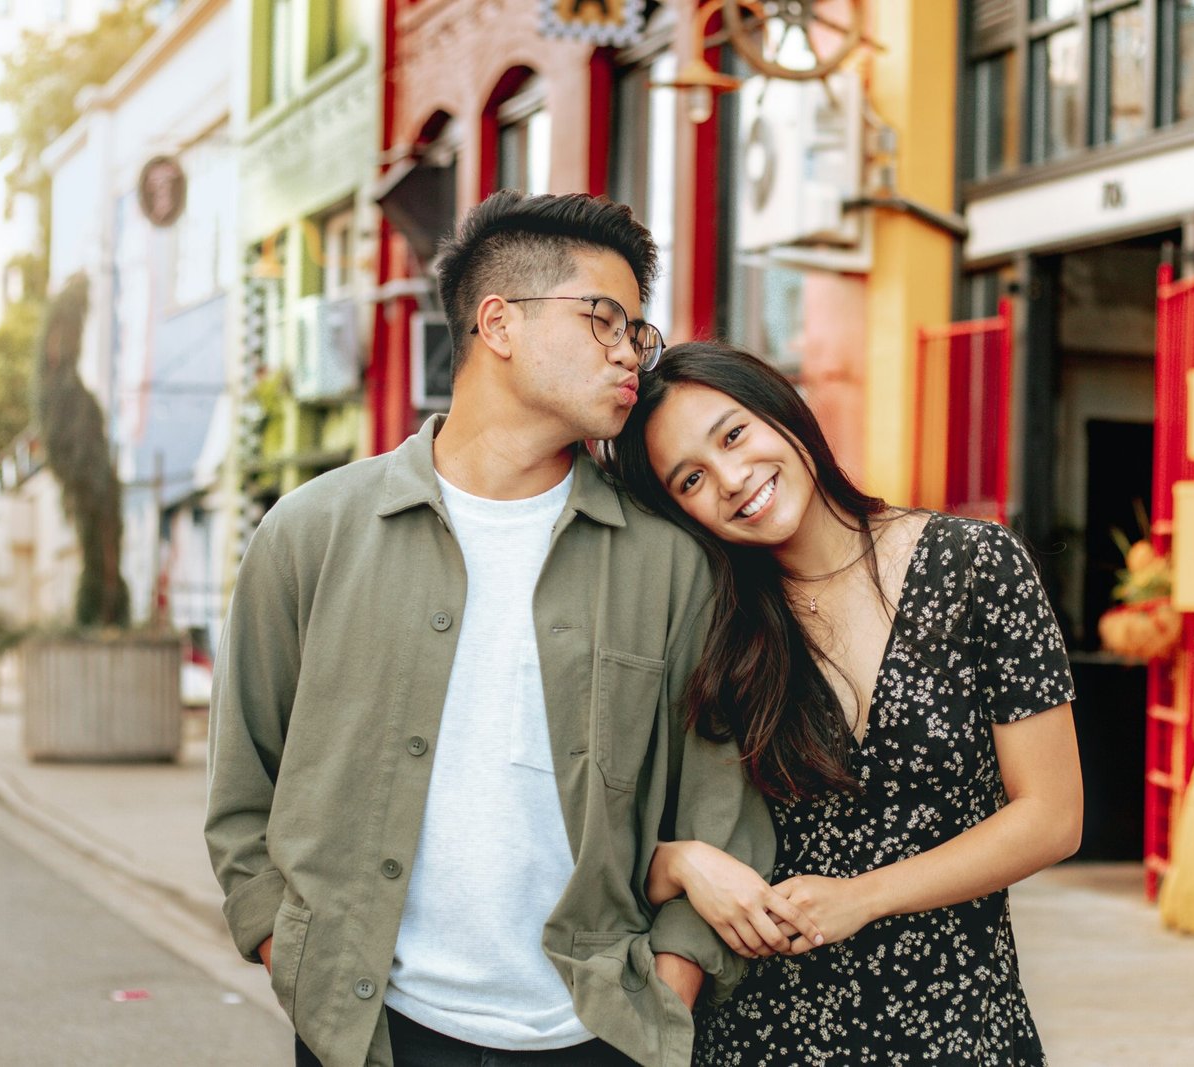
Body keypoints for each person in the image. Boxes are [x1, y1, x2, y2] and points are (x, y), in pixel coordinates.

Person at [204, 194, 793, 1067]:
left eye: (638, 331)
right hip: (375, 1034)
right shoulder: (312, 532)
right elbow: (244, 785)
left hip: (596, 1034)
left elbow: (719, 802)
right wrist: (283, 949)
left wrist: (668, 991)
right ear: (499, 323)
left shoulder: (672, 565)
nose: (630, 351)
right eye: (605, 319)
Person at [606, 341, 1084, 1065]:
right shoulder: (712, 628)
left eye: (733, 434)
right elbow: (606, 836)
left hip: (958, 1026)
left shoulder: (975, 566)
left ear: (782, 412)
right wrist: (682, 861)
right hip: (761, 1037)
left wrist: (863, 895)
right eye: (692, 479)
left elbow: (1052, 816)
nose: (733, 479)